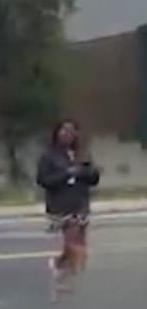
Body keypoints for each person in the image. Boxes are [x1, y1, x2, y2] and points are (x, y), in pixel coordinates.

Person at [37, 119, 99, 297]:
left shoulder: (82, 154)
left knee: (79, 244)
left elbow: (94, 178)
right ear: (56, 133)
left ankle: (60, 267)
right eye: (64, 131)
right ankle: (62, 274)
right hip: (60, 205)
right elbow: (43, 180)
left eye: (72, 131)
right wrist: (67, 173)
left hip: (80, 203)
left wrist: (85, 172)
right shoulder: (49, 156)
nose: (67, 134)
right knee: (73, 243)